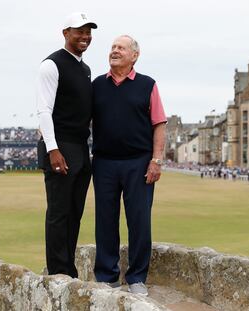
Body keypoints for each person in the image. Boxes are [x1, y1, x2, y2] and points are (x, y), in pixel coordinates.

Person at [92, 35, 167, 295]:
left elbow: (159, 123)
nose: (114, 51)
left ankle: (136, 278)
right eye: (112, 47)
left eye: (120, 48)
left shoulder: (148, 85)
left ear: (134, 55)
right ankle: (107, 276)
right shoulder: (97, 86)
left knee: (139, 221)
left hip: (139, 163)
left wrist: (156, 160)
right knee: (105, 221)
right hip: (104, 163)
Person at [36, 12, 97, 278]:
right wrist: (53, 149)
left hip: (80, 147)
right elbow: (44, 111)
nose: (84, 36)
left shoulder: (85, 69)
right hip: (60, 146)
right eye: (79, 31)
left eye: (88, 32)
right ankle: (58, 272)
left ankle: (68, 268)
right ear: (65, 33)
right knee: (59, 213)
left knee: (75, 213)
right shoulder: (51, 65)